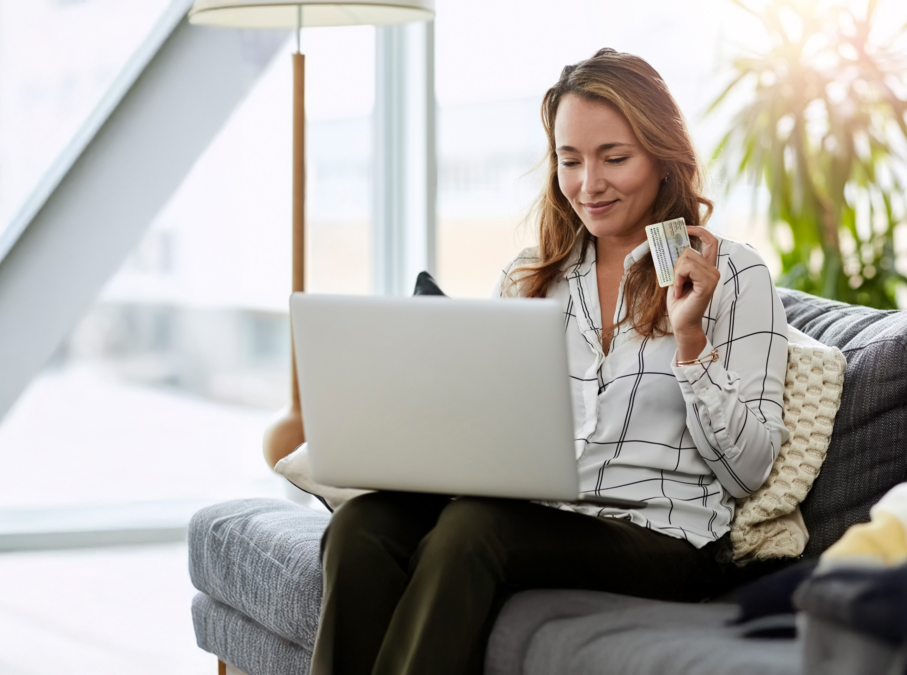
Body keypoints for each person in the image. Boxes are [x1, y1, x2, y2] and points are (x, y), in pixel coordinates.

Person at [311, 48, 791, 675]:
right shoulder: (530, 278)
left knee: (473, 529)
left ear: (662, 155)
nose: (588, 184)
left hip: (667, 535)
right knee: (364, 525)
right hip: (546, 518)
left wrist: (691, 339)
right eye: (570, 160)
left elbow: (751, 469)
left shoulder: (734, 274)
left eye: (614, 158)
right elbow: (480, 426)